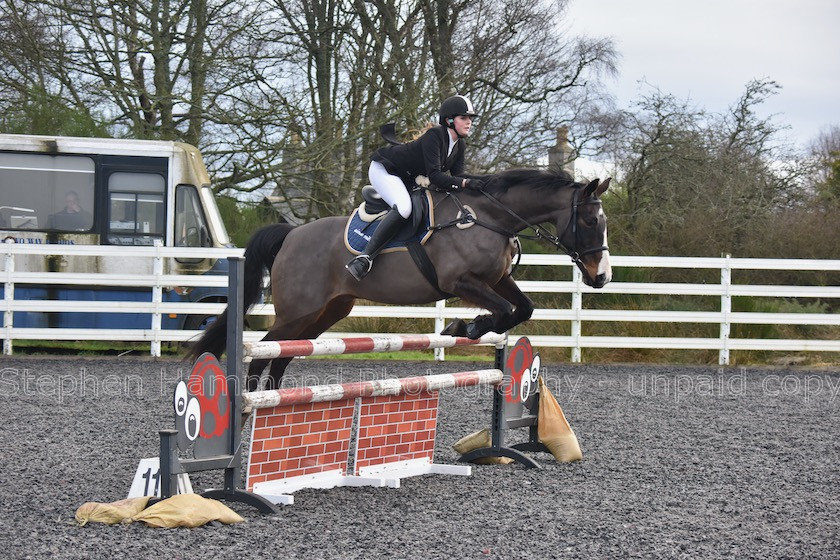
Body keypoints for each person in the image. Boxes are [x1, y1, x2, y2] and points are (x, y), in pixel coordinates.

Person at [345, 94, 485, 281]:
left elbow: (458, 177)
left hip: (405, 177)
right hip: (385, 169)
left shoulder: (460, 146)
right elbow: (436, 176)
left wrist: (484, 182)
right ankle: (364, 258)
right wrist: (465, 183)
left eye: (470, 119)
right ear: (449, 120)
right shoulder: (435, 136)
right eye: (464, 118)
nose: (469, 122)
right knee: (404, 208)